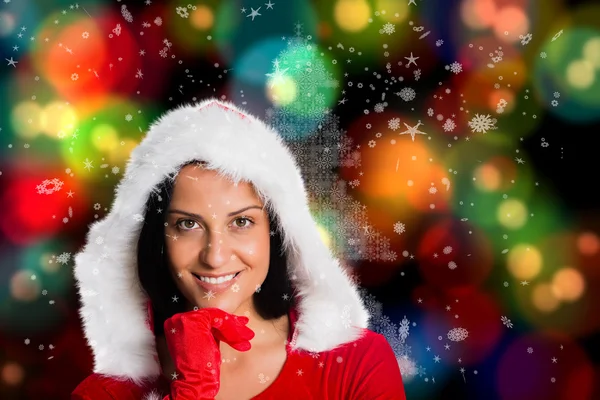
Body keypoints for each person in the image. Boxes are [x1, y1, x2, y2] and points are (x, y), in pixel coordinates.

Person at [71, 99, 407, 399]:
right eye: (188, 225)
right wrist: (192, 390)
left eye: (241, 222)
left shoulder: (352, 364)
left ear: (275, 233)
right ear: (157, 239)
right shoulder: (107, 394)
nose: (215, 257)